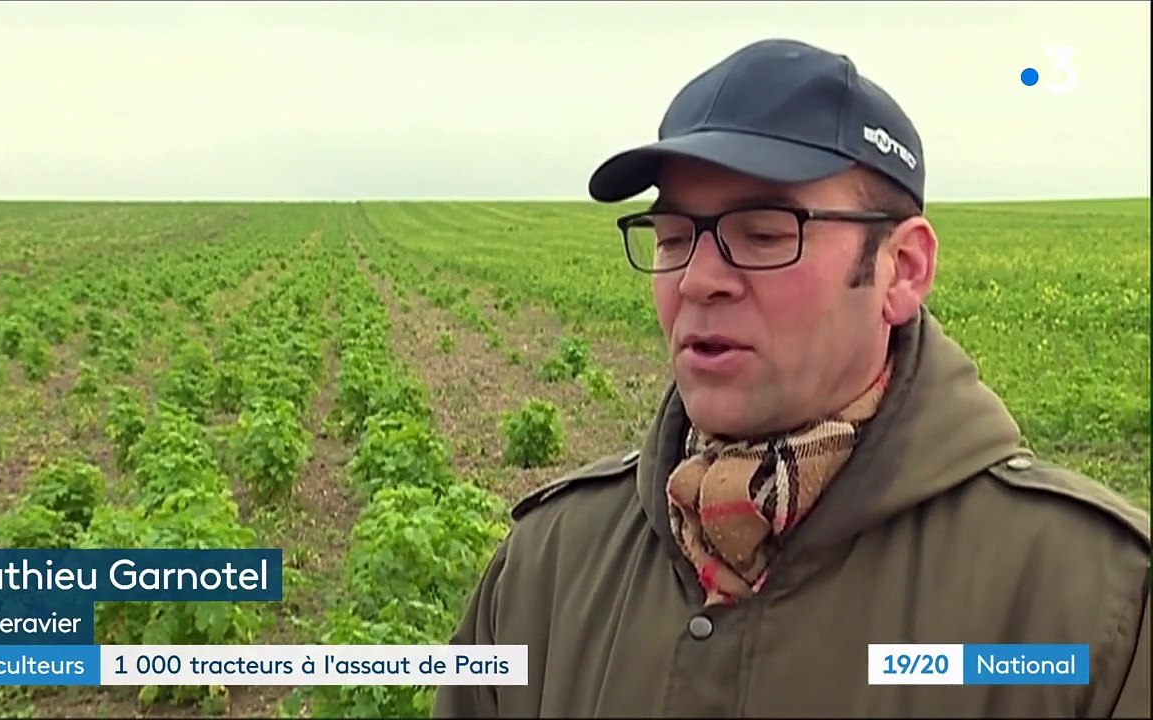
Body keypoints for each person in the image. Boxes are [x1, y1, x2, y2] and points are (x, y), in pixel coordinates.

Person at [432, 38, 1150, 718]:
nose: (698, 280)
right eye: (674, 238)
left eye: (765, 234)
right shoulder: (548, 564)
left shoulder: (1094, 600)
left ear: (902, 270)